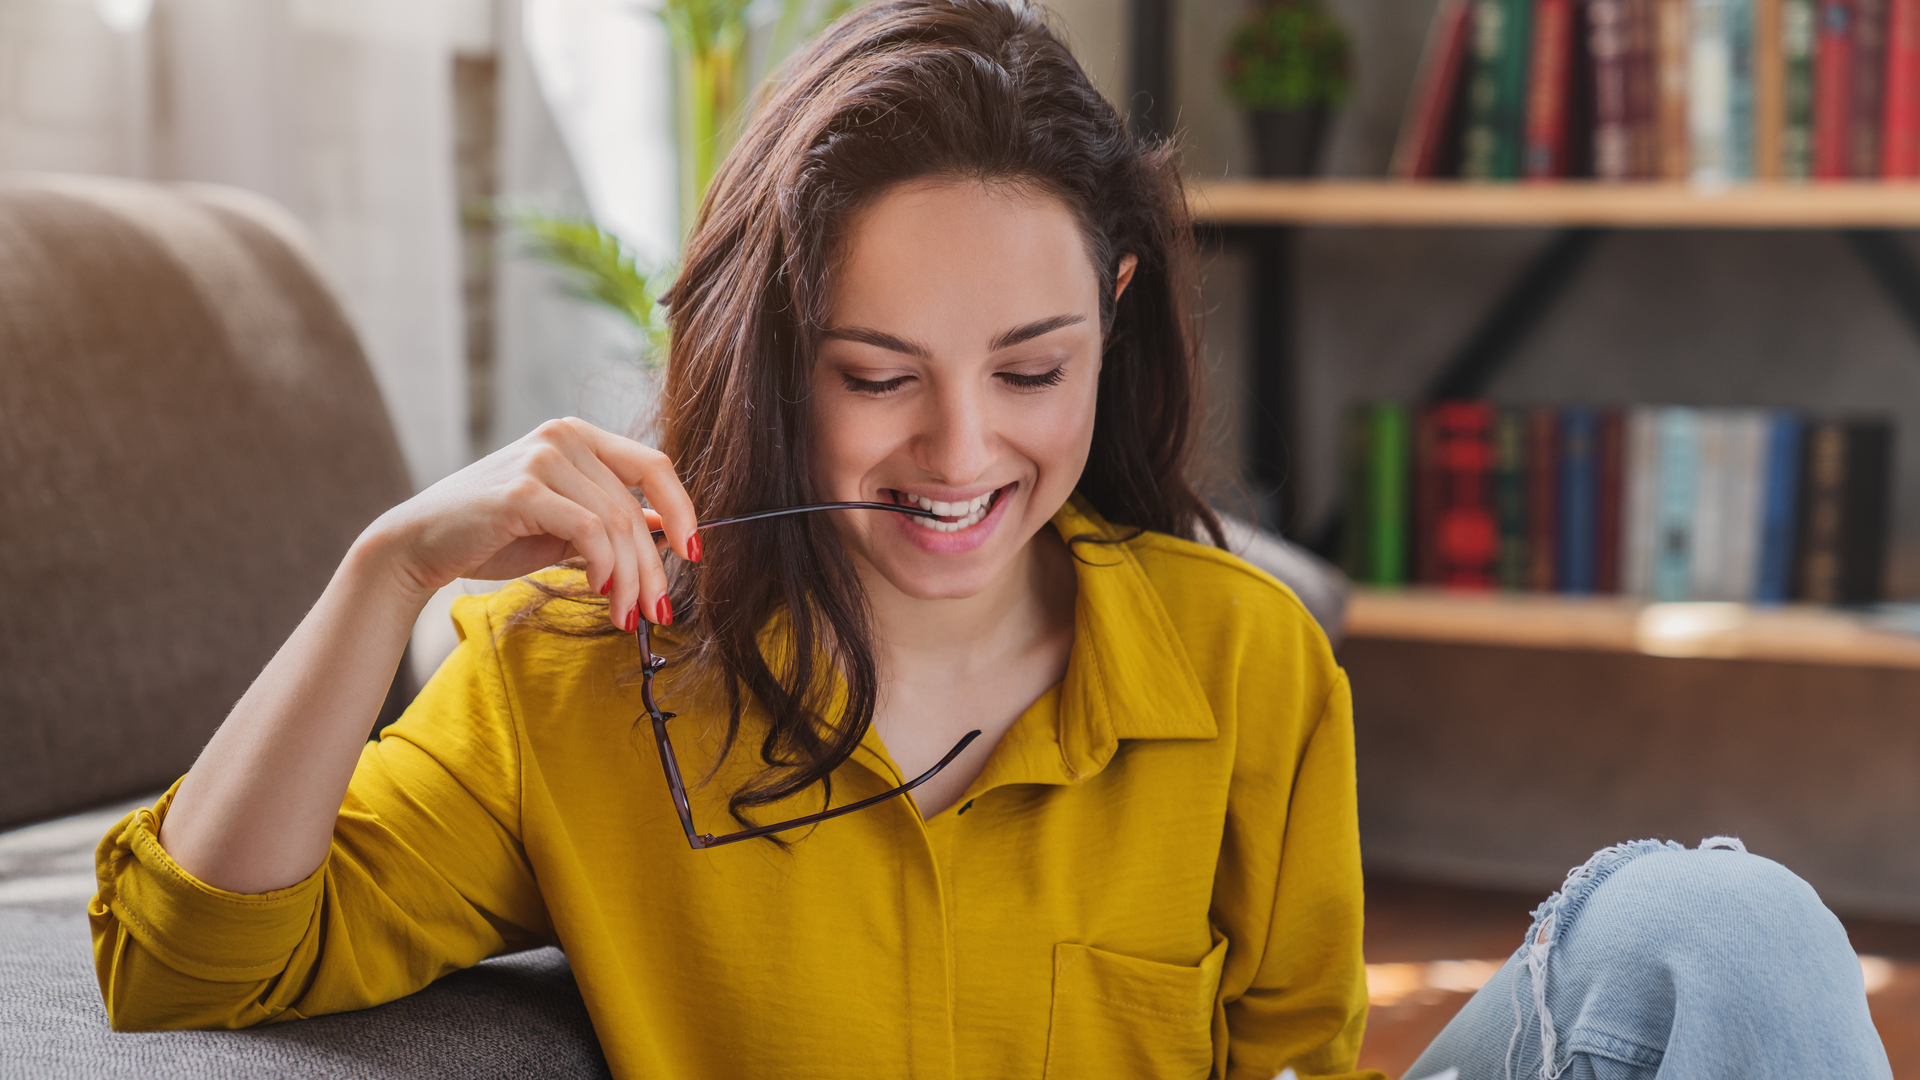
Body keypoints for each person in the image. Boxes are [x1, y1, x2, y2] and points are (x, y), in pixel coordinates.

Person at [88, 1, 1891, 1077]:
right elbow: (188, 958)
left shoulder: (1241, 654)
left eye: (1032, 368)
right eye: (877, 376)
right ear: (774, 359)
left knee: (1714, 929)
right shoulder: (571, 685)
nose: (962, 452)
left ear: (1115, 312)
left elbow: (1286, 1051)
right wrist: (384, 569)